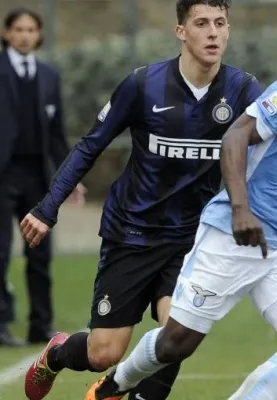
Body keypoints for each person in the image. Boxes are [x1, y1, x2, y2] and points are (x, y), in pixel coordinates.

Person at [86, 4, 277, 400]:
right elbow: (236, 135)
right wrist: (240, 210)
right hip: (231, 235)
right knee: (175, 343)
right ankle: (113, 386)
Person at [22, 1, 262, 399]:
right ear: (181, 31)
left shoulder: (243, 90)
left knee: (177, 333)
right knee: (103, 352)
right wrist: (47, 209)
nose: (213, 32)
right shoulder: (143, 85)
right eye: (201, 23)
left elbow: (274, 147)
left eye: (220, 23)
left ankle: (120, 392)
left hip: (192, 238)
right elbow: (90, 146)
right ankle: (57, 354)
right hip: (132, 232)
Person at [0, 7, 85, 347]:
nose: (24, 35)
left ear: (39, 35)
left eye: (31, 29)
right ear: (7, 33)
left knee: (40, 254)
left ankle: (41, 324)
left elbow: (57, 135)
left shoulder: (49, 76)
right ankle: (1, 323)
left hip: (37, 177)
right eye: (18, 29)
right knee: (0, 252)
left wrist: (71, 176)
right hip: (3, 176)